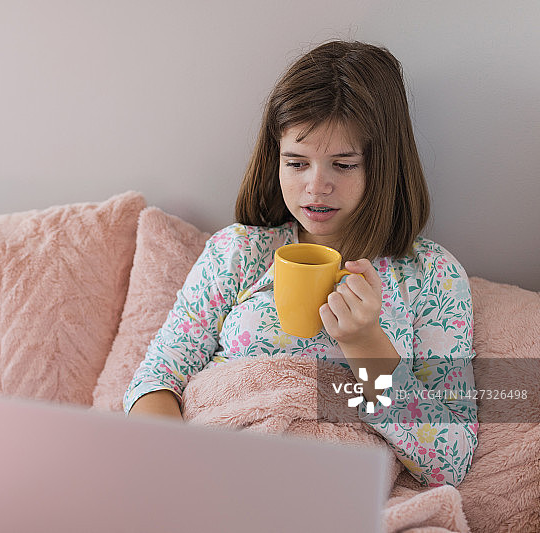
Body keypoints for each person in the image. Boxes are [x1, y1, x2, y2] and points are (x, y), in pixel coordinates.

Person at [123, 40, 477, 488]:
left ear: (385, 166)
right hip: (211, 472)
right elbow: (156, 379)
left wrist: (366, 342)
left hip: (330, 489)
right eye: (296, 162)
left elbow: (452, 459)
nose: (316, 187)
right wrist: (177, 466)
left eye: (343, 165)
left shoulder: (430, 275)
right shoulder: (237, 253)